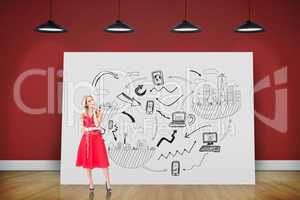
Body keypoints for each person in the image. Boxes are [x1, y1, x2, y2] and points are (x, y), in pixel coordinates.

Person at [76, 95, 112, 193]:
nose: (92, 102)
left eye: (92, 100)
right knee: (87, 163)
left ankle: (108, 183)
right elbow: (83, 128)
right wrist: (92, 129)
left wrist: (96, 113)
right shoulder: (82, 114)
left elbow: (97, 124)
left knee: (103, 161)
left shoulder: (99, 112)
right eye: (89, 101)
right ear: (86, 104)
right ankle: (91, 183)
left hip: (97, 139)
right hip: (87, 140)